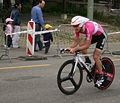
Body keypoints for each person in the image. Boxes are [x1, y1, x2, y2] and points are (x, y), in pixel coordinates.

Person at [66, 16, 107, 87]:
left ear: (81, 24)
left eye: (76, 26)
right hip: (93, 35)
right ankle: (87, 60)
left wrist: (75, 49)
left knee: (95, 56)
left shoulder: (88, 27)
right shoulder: (77, 29)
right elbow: (76, 42)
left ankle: (101, 76)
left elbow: (87, 46)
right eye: (73, 26)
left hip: (101, 36)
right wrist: (68, 48)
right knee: (81, 43)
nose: (75, 28)